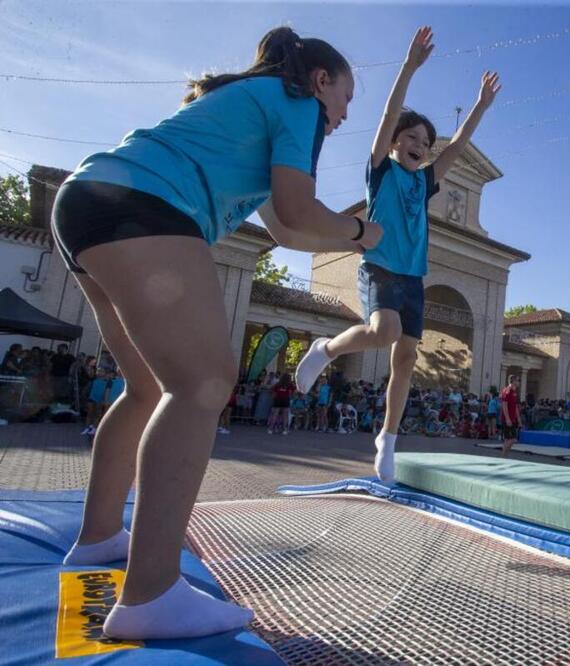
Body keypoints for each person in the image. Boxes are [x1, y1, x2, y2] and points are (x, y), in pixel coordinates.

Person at [52, 27, 380, 640]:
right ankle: (150, 594)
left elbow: (284, 229)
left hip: (85, 202)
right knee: (203, 382)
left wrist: (343, 228)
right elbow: (302, 210)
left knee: (147, 387)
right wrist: (361, 235)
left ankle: (98, 537)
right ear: (321, 80)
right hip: (143, 205)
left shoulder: (252, 105)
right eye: (347, 98)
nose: (344, 115)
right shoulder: (297, 102)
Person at [295, 26, 501, 483]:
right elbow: (389, 113)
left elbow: (460, 146)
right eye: (412, 137)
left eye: (426, 143)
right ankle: (325, 348)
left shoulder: (425, 181)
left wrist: (480, 108)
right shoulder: (381, 172)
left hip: (412, 278)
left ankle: (387, 439)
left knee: (405, 360)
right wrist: (409, 67)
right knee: (383, 330)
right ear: (393, 142)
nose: (420, 145)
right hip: (380, 268)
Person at [500, 374, 523, 456]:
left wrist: (519, 419)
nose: (519, 382)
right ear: (513, 381)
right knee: (512, 439)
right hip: (507, 419)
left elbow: (515, 406)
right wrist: (507, 419)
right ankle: (503, 457)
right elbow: (504, 405)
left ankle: (504, 457)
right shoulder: (507, 390)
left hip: (512, 418)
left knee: (508, 440)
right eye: (518, 380)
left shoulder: (514, 392)